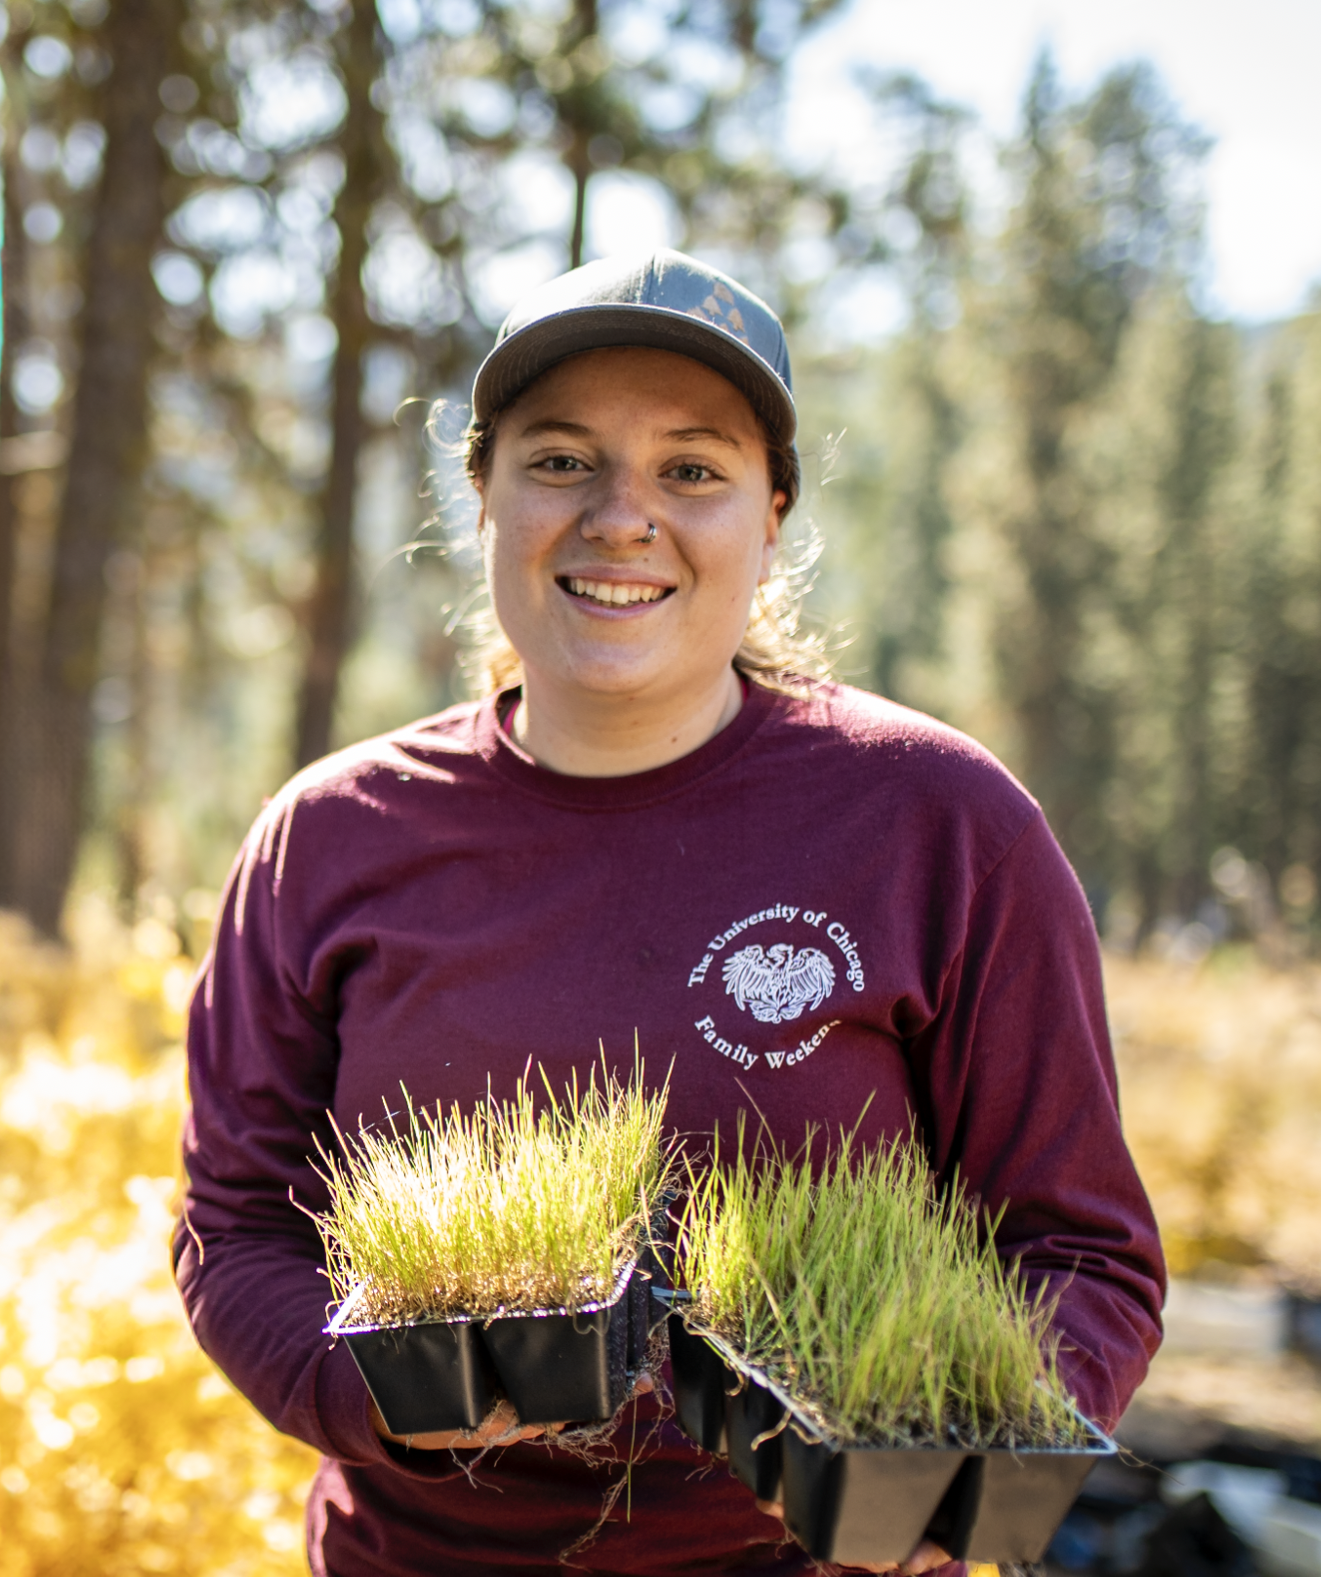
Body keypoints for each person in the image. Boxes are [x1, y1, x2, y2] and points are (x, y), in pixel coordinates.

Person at [174, 249, 1165, 1577]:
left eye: (692, 469)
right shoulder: (332, 838)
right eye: (563, 460)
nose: (622, 517)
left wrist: (961, 1468)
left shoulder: (938, 825)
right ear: (484, 498)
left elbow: (1083, 1250)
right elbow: (233, 1221)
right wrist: (370, 1400)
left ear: (771, 514)